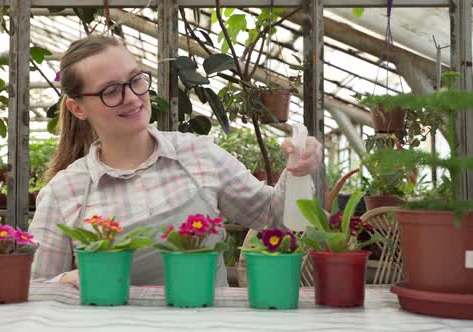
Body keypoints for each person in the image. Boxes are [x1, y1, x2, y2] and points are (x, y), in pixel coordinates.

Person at [29, 34, 323, 288]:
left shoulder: (197, 155)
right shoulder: (64, 192)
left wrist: (298, 170)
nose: (132, 98)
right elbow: (36, 289)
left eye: (135, 81)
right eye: (111, 91)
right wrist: (67, 281)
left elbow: (274, 218)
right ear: (78, 107)